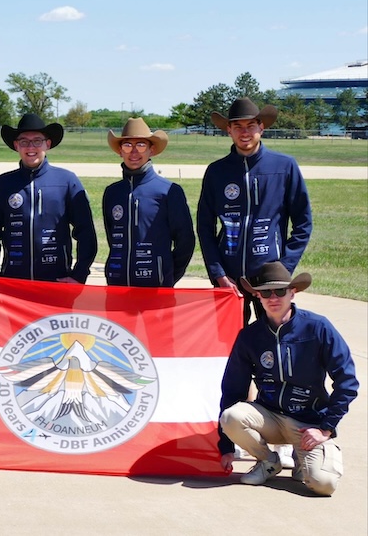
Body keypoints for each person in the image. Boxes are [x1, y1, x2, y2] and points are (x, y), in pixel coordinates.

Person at [218, 262, 358, 496]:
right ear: (258, 297)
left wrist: (325, 428)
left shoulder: (317, 327)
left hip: (308, 424)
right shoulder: (250, 336)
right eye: (265, 292)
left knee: (324, 484)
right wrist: (226, 446)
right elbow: (232, 389)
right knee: (232, 416)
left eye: (280, 291)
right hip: (269, 416)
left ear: (293, 292)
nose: (273, 298)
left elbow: (347, 381)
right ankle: (269, 461)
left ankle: (304, 457)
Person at [198, 98, 312, 324]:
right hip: (228, 277)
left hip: (269, 277)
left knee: (270, 341)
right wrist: (217, 272)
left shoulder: (284, 166)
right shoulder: (216, 171)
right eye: (238, 126)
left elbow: (303, 223)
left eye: (251, 125)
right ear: (228, 130)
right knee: (230, 344)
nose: (245, 132)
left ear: (262, 127)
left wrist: (283, 267)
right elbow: (204, 225)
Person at [0, 113, 96, 283]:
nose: (30, 147)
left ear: (47, 144)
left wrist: (79, 274)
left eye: (37, 141)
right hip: (14, 282)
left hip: (57, 282)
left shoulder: (67, 181)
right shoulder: (3, 183)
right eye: (24, 142)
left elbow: (85, 231)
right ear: (16, 145)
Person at [101, 117, 195, 287]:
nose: (134, 152)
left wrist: (167, 275)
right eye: (127, 145)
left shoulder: (168, 191)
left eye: (141, 145)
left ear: (151, 150)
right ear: (120, 151)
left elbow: (185, 241)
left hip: (156, 287)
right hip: (117, 284)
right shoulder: (112, 192)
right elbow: (112, 237)